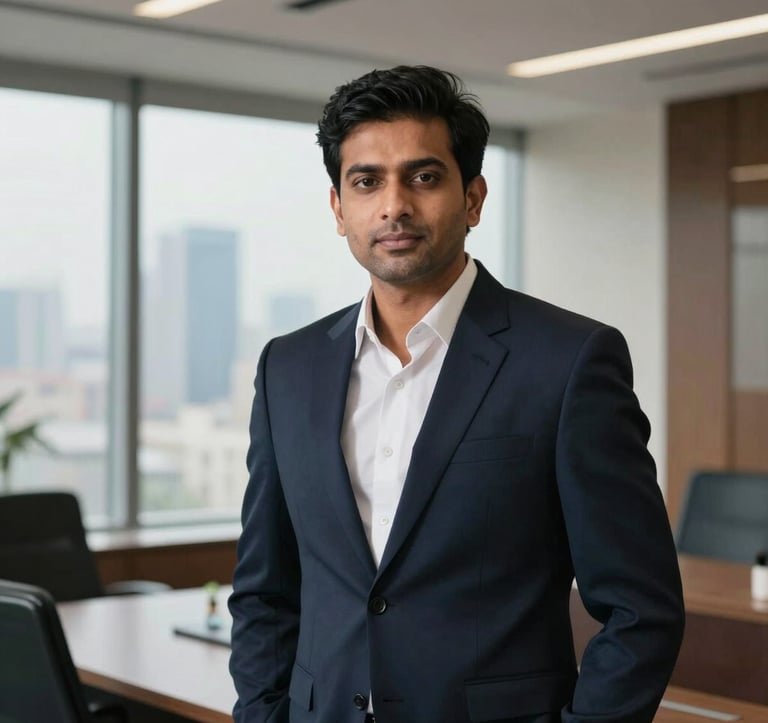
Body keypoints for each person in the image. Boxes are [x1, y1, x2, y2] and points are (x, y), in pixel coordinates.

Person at [228, 65, 684, 723]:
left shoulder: (568, 361)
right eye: (366, 181)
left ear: (473, 198)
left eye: (424, 176)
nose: (393, 206)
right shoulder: (287, 368)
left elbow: (642, 607)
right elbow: (265, 590)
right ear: (338, 208)